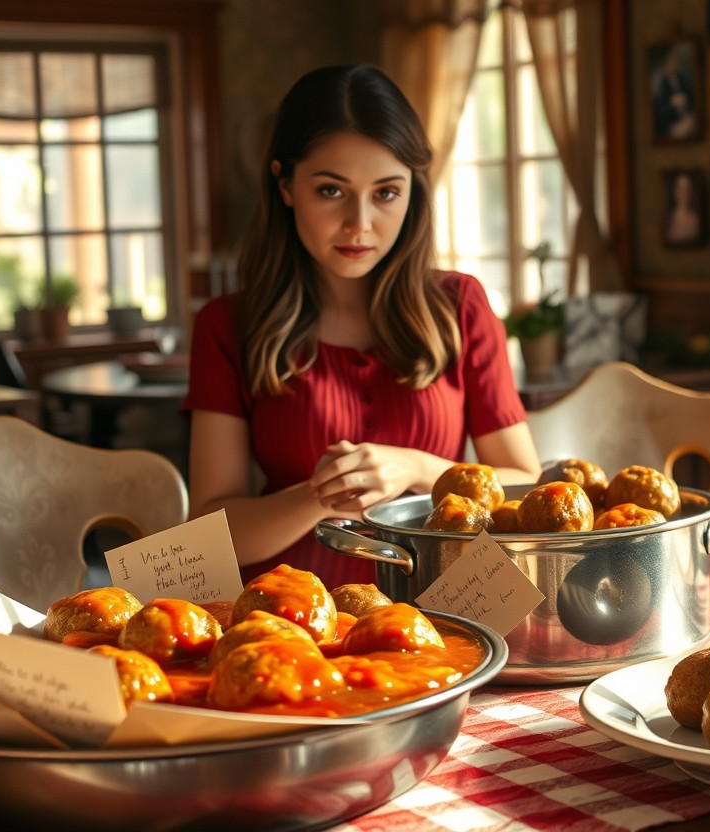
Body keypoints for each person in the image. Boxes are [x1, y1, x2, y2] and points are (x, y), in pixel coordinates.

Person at [183, 65, 542, 587]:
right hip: (291, 614)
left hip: (450, 608)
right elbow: (208, 534)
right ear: (284, 184)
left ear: (412, 191)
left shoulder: (461, 305)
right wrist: (321, 492)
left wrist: (417, 470)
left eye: (386, 193)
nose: (360, 223)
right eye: (331, 191)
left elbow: (524, 485)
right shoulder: (226, 326)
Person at [651, 44, 697, 139]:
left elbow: (691, 96)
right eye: (671, 61)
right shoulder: (662, 84)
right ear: (666, 64)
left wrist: (685, 100)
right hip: (672, 124)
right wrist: (672, 103)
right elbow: (661, 108)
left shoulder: (681, 79)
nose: (674, 64)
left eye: (675, 61)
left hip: (686, 116)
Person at [665, 172, 702, 245]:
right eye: (680, 189)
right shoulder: (668, 218)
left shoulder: (695, 219)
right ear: (675, 192)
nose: (684, 194)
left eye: (687, 190)